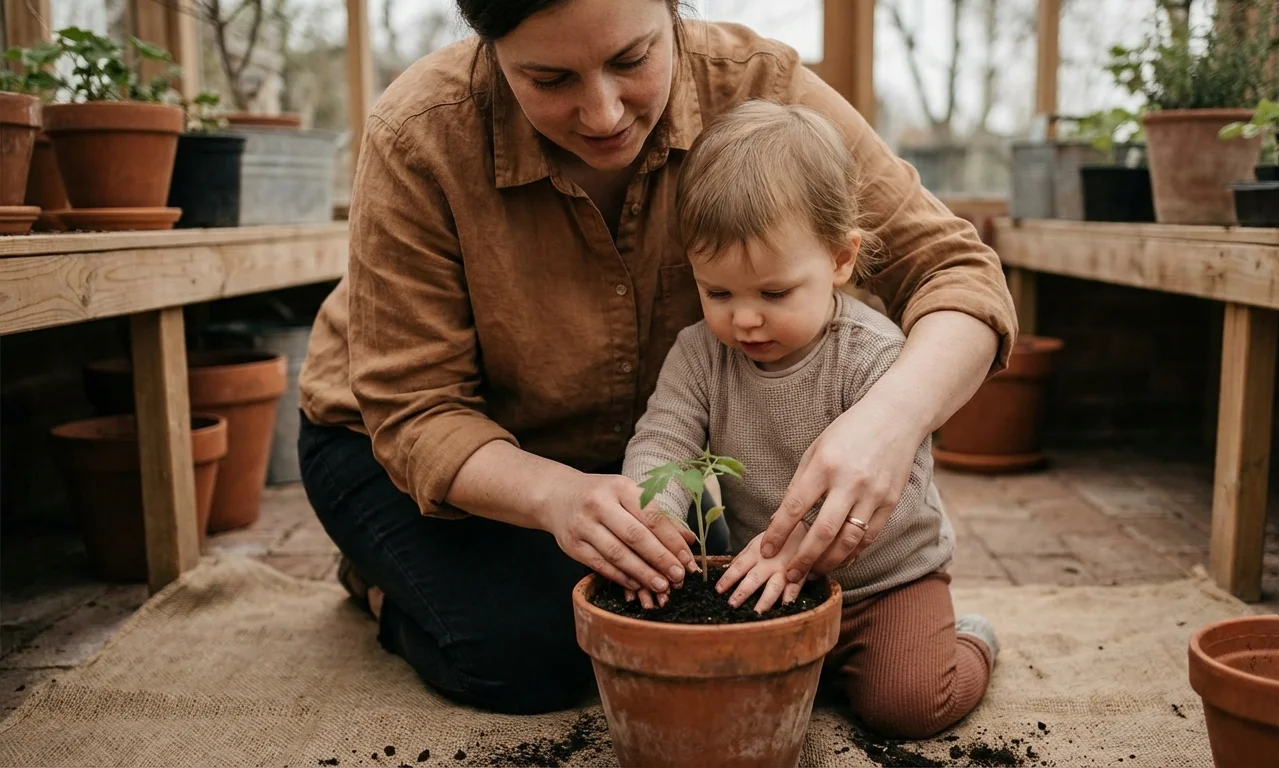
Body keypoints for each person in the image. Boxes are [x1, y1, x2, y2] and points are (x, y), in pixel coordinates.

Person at [297, 0, 1017, 717]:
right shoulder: (421, 131)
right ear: (489, 50)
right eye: (549, 80)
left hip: (609, 468)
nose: (603, 114)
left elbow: (954, 269)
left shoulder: (761, 89)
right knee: (526, 658)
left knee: (635, 612)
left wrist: (890, 421)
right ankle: (382, 582)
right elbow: (416, 410)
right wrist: (554, 497)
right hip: (399, 451)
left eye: (632, 60)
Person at [621, 99, 996, 739]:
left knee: (905, 706)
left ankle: (974, 643)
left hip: (883, 584)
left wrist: (795, 556)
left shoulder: (874, 356)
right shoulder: (700, 355)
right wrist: (653, 515)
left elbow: (891, 495)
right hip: (762, 581)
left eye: (773, 293)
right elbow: (666, 441)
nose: (744, 319)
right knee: (717, 702)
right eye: (718, 293)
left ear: (840, 259)